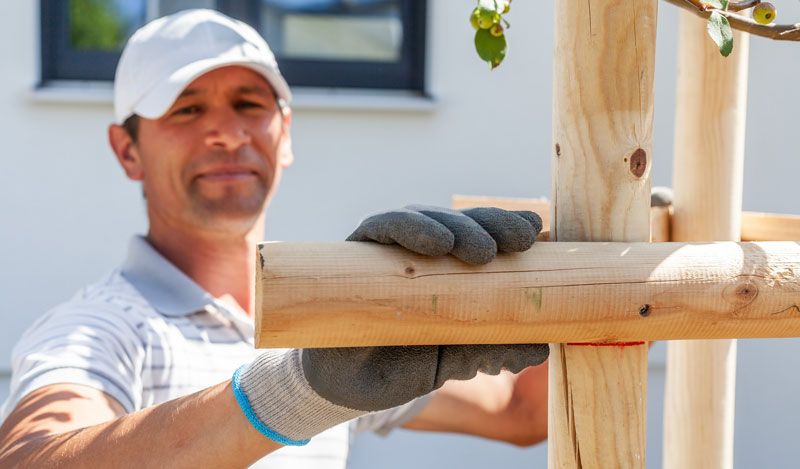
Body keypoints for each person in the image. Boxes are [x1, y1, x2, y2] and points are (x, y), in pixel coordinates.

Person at [0, 9, 551, 468]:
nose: (229, 132)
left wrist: (609, 266)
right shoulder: (100, 329)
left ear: (285, 134)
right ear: (127, 150)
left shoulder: (322, 328)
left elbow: (520, 413)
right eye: (186, 108)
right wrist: (297, 391)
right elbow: (30, 457)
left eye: (250, 104)